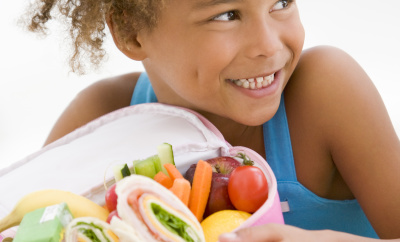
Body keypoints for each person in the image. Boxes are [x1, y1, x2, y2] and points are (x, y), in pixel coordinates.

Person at [23, 0, 400, 240]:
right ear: (130, 32)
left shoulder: (325, 92)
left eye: (281, 2)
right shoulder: (103, 118)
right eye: (226, 15)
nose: (268, 45)